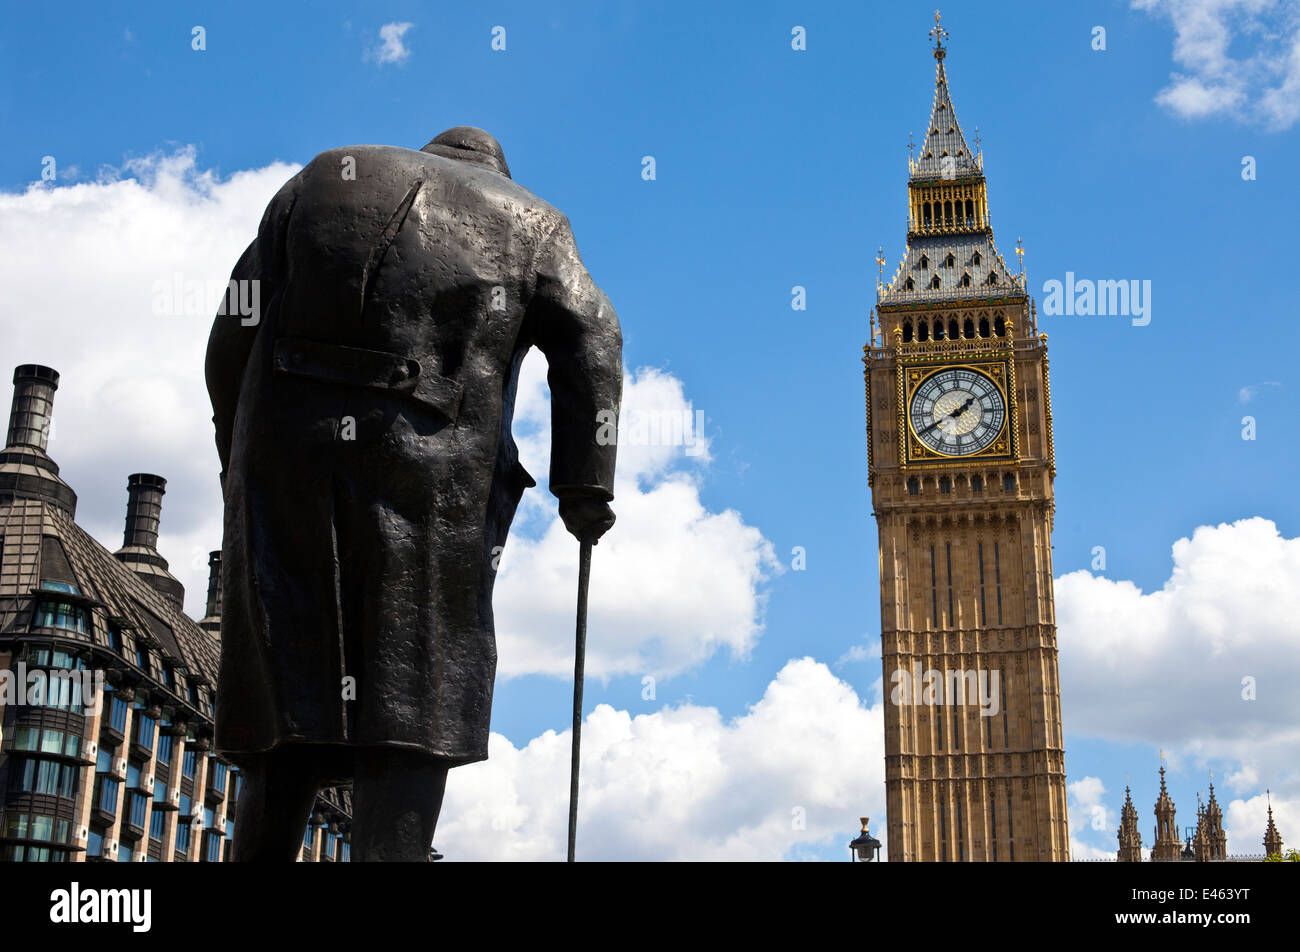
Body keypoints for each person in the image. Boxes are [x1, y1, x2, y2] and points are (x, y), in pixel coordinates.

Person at [205, 126, 622, 861]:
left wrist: (236, 457)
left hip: (281, 457)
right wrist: (584, 485)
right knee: (414, 691)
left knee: (287, 699)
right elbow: (594, 335)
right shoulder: (530, 218)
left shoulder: (314, 180)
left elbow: (231, 328)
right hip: (429, 466)